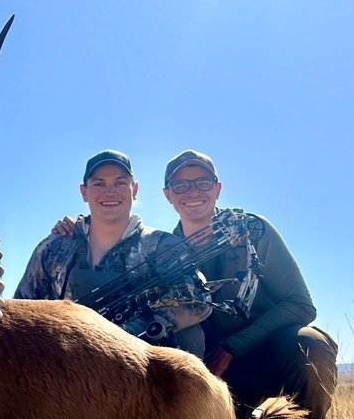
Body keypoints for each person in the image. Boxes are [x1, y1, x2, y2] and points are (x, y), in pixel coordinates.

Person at [161, 149, 338, 419]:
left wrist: (234, 346)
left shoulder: (254, 231)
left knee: (311, 345)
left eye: (203, 182)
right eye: (181, 185)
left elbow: (301, 305)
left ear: (217, 189)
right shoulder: (163, 255)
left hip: (269, 351)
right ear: (168, 194)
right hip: (216, 371)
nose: (192, 191)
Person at [14, 149, 210, 356]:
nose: (110, 192)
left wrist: (126, 333)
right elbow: (20, 309)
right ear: (84, 192)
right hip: (64, 366)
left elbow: (198, 300)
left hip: (139, 364)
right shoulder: (53, 248)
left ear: (134, 190)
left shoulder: (163, 245)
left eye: (120, 183)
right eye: (99, 183)